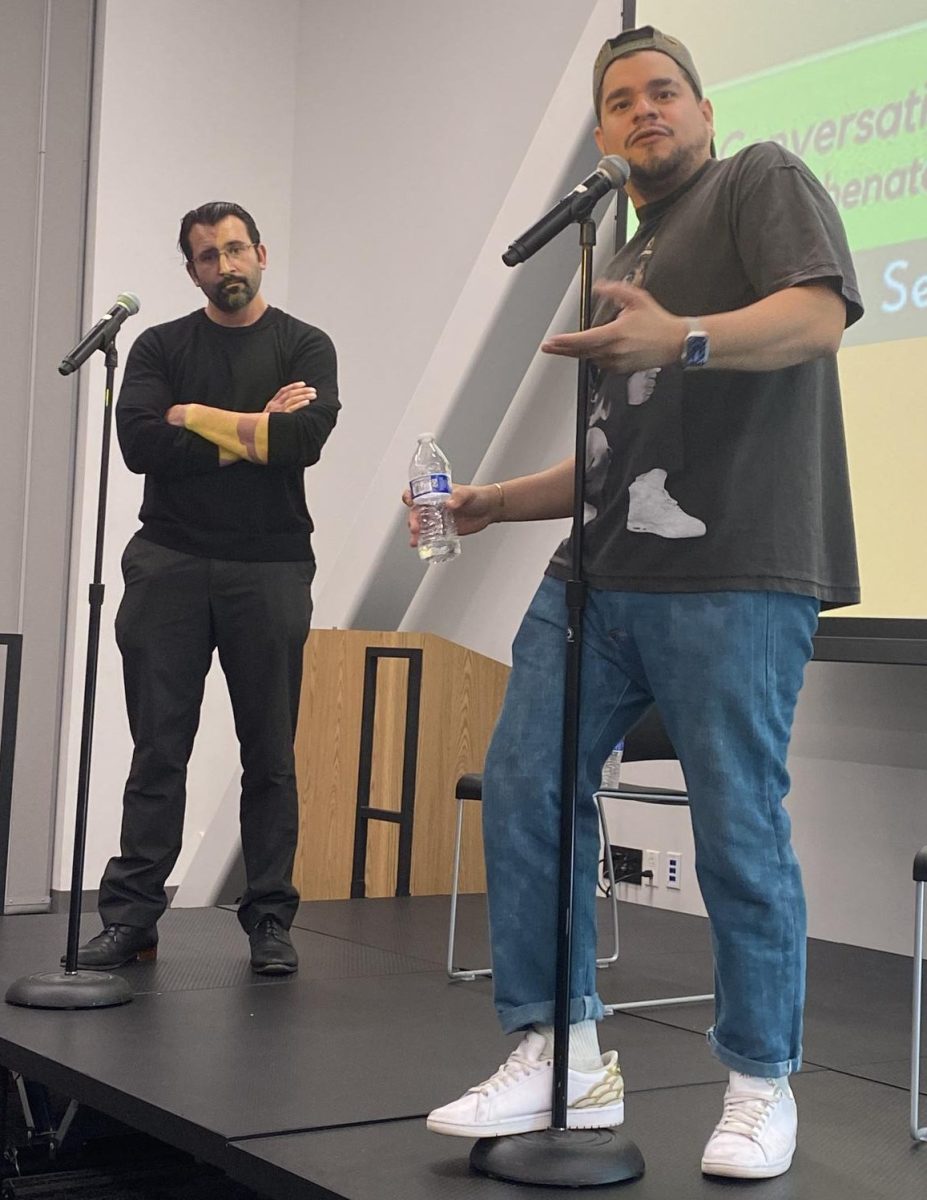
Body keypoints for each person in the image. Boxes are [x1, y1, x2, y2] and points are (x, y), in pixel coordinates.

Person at [416, 27, 861, 1180]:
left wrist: (691, 335)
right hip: (598, 575)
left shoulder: (760, 180)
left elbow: (817, 314)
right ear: (602, 136)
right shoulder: (620, 240)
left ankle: (762, 1086)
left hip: (738, 571)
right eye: (620, 101)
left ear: (704, 112)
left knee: (736, 824)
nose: (644, 111)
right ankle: (563, 1049)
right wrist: (499, 500)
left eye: (664, 92)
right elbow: (620, 447)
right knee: (523, 777)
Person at [72, 201, 339, 976]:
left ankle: (268, 921)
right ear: (191, 270)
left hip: (272, 567)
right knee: (159, 748)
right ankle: (130, 919)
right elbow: (140, 443)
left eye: (235, 250)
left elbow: (302, 442)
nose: (225, 266)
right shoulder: (157, 344)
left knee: (270, 752)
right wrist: (252, 427)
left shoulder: (304, 344)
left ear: (261, 251)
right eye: (207, 256)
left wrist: (197, 418)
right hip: (170, 563)